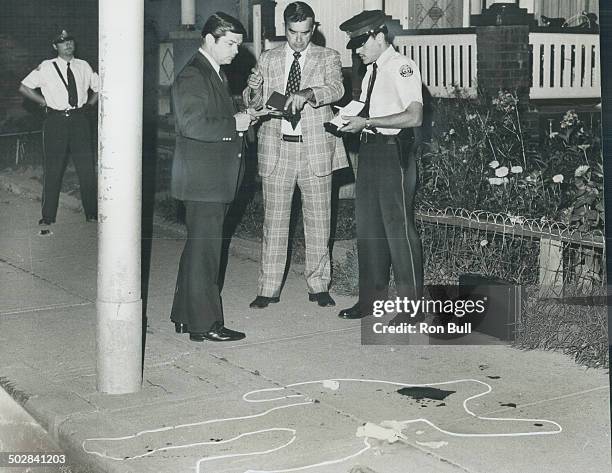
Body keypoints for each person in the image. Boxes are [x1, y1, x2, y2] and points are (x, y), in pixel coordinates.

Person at [243, 1, 348, 310]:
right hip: (278, 148)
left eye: (305, 32)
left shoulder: (328, 57)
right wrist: (252, 90)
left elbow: (337, 89)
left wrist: (308, 94)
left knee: (319, 222)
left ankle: (318, 285)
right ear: (284, 28)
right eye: (293, 32)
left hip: (314, 150)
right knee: (273, 222)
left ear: (313, 28)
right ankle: (268, 288)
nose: (299, 39)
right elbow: (256, 102)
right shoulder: (268, 58)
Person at [336, 10, 424, 320]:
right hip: (370, 152)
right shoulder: (372, 69)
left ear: (379, 36)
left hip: (392, 155)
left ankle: (412, 309)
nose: (357, 50)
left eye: (361, 43)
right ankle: (371, 300)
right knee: (369, 228)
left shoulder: (402, 67)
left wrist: (368, 121)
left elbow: (414, 116)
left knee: (398, 230)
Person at [170, 12, 252, 342]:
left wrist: (240, 119)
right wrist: (236, 124)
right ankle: (205, 325)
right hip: (204, 183)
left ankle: (183, 315)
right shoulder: (194, 74)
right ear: (209, 39)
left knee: (197, 249)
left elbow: (211, 118)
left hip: (209, 179)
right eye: (230, 43)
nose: (235, 50)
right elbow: (191, 125)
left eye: (237, 44)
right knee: (206, 253)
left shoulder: (213, 72)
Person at [19, 29, 99, 226]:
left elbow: (99, 87)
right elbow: (24, 86)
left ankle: (92, 214)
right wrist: (42, 101)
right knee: (53, 169)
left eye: (70, 41)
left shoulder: (83, 66)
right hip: (55, 122)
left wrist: (90, 104)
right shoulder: (46, 67)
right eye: (63, 42)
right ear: (55, 46)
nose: (68, 45)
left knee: (86, 169)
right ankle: (48, 217)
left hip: (79, 120)